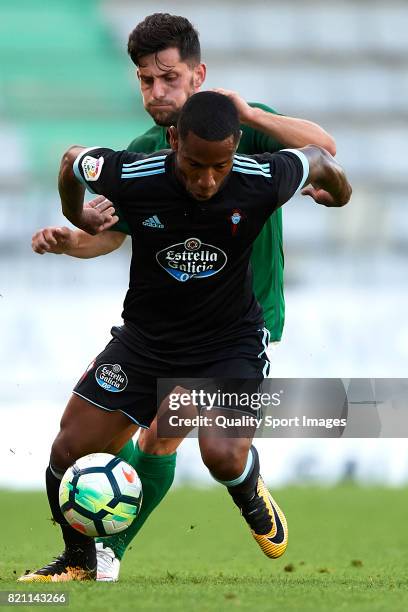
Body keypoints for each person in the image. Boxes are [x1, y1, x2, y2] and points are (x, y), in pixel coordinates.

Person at [31, 13, 336, 581]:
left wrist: (247, 113)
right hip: (161, 328)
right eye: (146, 81)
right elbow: (116, 235)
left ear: (198, 75)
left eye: (167, 78)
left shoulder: (240, 127)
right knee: (138, 438)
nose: (156, 92)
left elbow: (325, 150)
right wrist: (73, 237)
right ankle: (99, 554)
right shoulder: (145, 149)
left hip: (242, 320)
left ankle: (117, 550)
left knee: (167, 433)